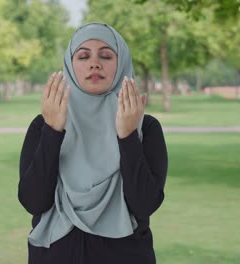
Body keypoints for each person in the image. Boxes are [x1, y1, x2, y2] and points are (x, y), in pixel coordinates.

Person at [18, 22, 168, 264]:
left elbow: (144, 205)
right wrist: (53, 131)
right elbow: (34, 201)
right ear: (70, 65)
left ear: (122, 65)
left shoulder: (145, 128)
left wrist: (127, 136)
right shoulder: (44, 124)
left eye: (106, 55)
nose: (94, 63)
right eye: (83, 56)